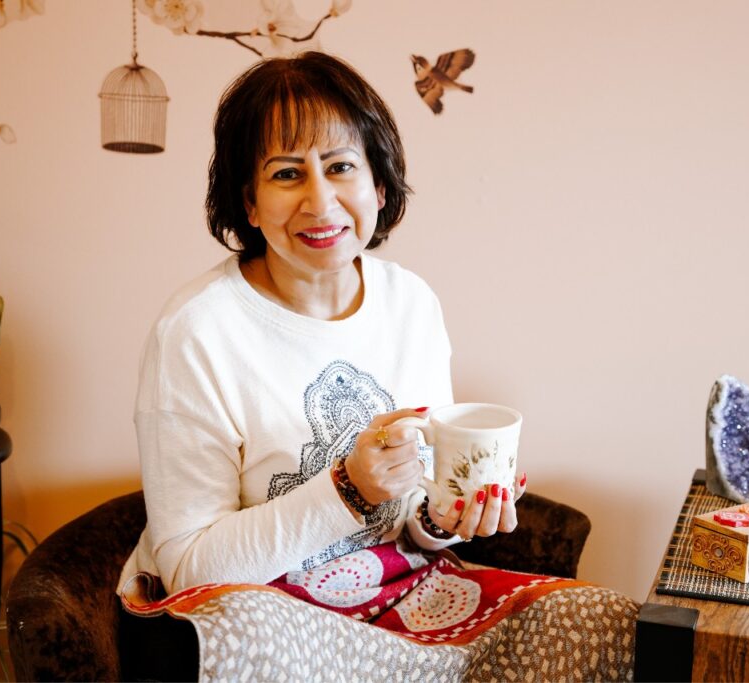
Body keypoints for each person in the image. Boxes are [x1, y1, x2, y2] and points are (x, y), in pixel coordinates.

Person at [118, 51, 635, 682]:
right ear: (248, 202)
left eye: (340, 167)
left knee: (607, 623)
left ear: (379, 186)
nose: (320, 200)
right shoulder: (195, 333)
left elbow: (413, 509)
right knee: (248, 632)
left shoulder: (410, 304)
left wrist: (439, 517)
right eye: (286, 174)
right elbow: (188, 569)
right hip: (268, 619)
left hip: (404, 598)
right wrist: (347, 490)